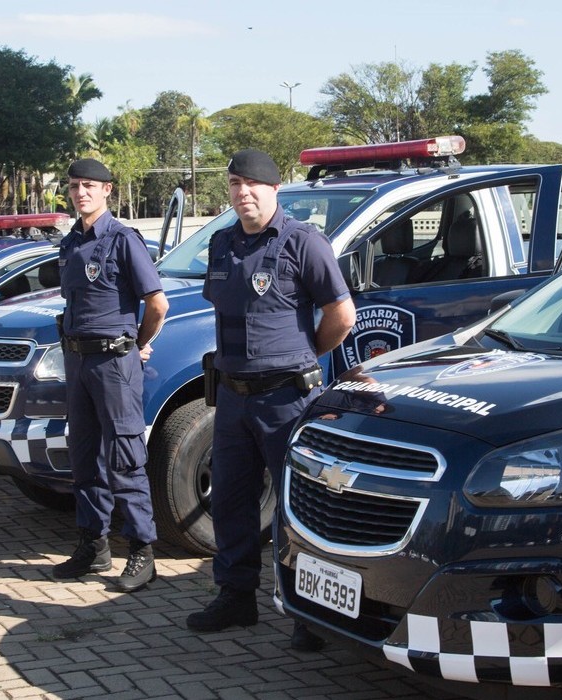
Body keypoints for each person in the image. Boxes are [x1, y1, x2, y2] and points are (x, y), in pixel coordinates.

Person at [185, 150, 355, 651]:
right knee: (232, 503)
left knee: (296, 507)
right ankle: (236, 597)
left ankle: (308, 613)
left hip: (286, 399)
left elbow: (340, 315)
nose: (243, 193)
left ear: (275, 189)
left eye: (253, 184)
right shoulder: (222, 244)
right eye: (235, 183)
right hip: (233, 399)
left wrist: (305, 355)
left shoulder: (303, 242)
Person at [49, 158, 168, 593]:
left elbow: (157, 303)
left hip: (115, 363)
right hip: (79, 361)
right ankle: (93, 545)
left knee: (124, 456)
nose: (81, 192)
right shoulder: (71, 243)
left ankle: (141, 551)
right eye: (75, 185)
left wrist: (137, 342)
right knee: (84, 457)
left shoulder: (122, 240)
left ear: (107, 191)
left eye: (90, 186)